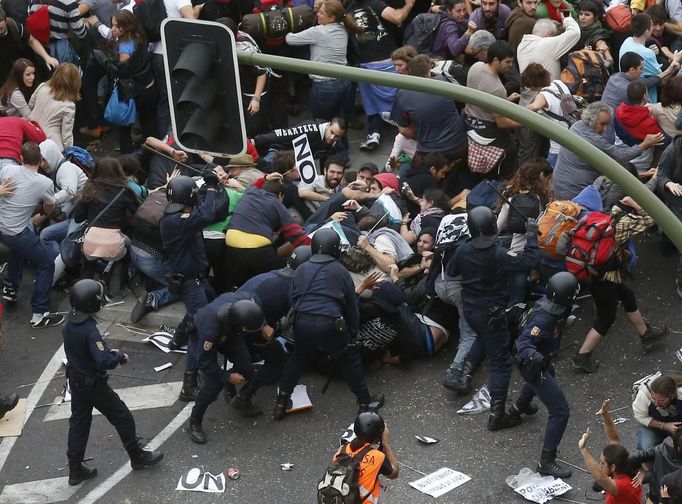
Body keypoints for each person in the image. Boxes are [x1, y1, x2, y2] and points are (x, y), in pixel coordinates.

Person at [273, 229, 384, 420]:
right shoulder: (340, 271)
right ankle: (365, 402)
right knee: (349, 360)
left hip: (301, 322)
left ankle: (281, 403)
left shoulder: (300, 269)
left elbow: (293, 301)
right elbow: (351, 308)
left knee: (298, 359)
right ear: (335, 249)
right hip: (331, 324)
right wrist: (353, 333)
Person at [445, 206, 539, 431]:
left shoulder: (463, 250)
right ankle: (497, 414)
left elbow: (452, 271)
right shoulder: (497, 253)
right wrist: (532, 235)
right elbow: (530, 260)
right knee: (501, 362)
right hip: (492, 312)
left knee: (485, 338)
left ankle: (463, 371)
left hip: (471, 310)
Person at [64, 279, 163, 485]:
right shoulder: (89, 330)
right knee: (122, 416)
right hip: (93, 384)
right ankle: (137, 456)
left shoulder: (69, 324)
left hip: (76, 380)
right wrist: (118, 357)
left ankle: (75, 469)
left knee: (79, 423)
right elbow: (102, 360)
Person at [571, 191, 668, 373]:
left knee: (628, 296)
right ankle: (581, 356)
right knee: (606, 319)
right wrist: (638, 206)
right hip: (605, 279)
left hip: (595, 274)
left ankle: (646, 335)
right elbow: (651, 220)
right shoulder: (623, 223)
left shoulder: (606, 215)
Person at [510, 272, 580, 478]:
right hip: (532, 364)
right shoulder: (544, 318)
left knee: (548, 373)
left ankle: (517, 408)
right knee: (560, 411)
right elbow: (523, 343)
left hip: (543, 363)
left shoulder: (556, 306)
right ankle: (546, 461)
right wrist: (535, 355)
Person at [160, 174, 220, 401]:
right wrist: (212, 188)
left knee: (207, 309)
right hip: (189, 282)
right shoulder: (177, 221)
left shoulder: (176, 214)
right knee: (200, 327)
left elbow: (200, 208)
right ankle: (189, 383)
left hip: (196, 279)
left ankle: (177, 338)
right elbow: (206, 213)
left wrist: (206, 184)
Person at [0, 142, 63, 328]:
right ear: (40, 160)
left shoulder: (8, 170)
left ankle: (11, 286)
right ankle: (39, 314)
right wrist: (45, 209)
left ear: (21, 158)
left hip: (4, 229)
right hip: (15, 233)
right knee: (46, 262)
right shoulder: (44, 183)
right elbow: (50, 207)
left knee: (19, 248)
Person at [188, 298, 266, 444]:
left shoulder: (241, 304)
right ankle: (194, 421)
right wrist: (227, 376)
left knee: (246, 367)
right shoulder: (210, 330)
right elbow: (205, 362)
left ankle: (237, 395)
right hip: (205, 335)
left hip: (232, 333)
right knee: (212, 385)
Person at [552, 102, 663, 200]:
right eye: (602, 124)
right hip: (575, 193)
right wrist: (644, 144)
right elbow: (620, 156)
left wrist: (640, 175)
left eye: (607, 124)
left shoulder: (576, 126)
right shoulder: (593, 139)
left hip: (560, 185)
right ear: (591, 120)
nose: (605, 129)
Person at [81, 10, 156, 152]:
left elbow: (122, 71)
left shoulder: (125, 46)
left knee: (124, 128)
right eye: (113, 25)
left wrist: (103, 60)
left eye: (117, 26)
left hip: (133, 91)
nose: (113, 29)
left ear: (127, 26)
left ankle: (128, 161)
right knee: (148, 126)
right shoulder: (139, 37)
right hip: (149, 87)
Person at [224, 180, 310, 289]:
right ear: (280, 195)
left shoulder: (249, 192)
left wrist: (265, 177)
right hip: (257, 252)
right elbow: (296, 235)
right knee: (282, 271)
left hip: (231, 247)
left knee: (234, 286)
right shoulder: (276, 202)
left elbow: (255, 183)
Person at [72, 158, 139, 290]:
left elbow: (78, 217)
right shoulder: (125, 192)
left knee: (89, 262)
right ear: (118, 171)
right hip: (114, 243)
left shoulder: (90, 190)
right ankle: (112, 283)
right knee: (127, 252)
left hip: (90, 242)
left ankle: (82, 294)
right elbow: (138, 212)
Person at [389, 54, 467, 162]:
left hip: (430, 151)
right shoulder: (443, 81)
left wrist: (421, 136)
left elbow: (403, 130)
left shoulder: (403, 94)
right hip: (459, 144)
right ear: (429, 72)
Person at [285, 0, 353, 122]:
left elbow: (290, 39)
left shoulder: (318, 32)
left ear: (332, 18)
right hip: (344, 81)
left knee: (321, 124)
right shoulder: (343, 27)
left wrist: (286, 24)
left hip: (325, 86)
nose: (317, 14)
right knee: (338, 123)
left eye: (321, 13)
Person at [463, 40, 521, 178]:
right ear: (495, 60)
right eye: (507, 62)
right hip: (488, 132)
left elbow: (483, 99)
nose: (510, 66)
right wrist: (527, 122)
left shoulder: (475, 67)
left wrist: (505, 100)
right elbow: (502, 123)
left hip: (469, 122)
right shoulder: (497, 88)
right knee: (507, 160)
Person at [325, 412, 399, 503]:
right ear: (379, 436)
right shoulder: (377, 457)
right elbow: (394, 473)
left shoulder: (342, 449)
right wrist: (386, 443)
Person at [579, 400, 643, 504]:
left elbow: (600, 477)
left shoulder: (622, 485)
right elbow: (614, 439)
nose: (600, 466)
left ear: (613, 467)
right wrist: (605, 414)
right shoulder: (624, 465)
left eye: (602, 463)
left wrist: (583, 449)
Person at [620, 14, 682, 103]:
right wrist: (676, 60)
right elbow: (662, 81)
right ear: (646, 31)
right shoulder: (646, 53)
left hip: (630, 97)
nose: (654, 28)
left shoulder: (627, 42)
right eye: (652, 26)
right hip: (646, 102)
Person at [27, 63, 81, 151]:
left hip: (30, 133)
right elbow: (66, 135)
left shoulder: (42, 87)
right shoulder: (69, 106)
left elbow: (30, 106)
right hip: (50, 143)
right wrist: (71, 153)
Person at [0, 7, 59, 84]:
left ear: (6, 22)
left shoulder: (14, 28)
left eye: (1, 28)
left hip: (22, 69)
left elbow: (32, 41)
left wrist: (47, 57)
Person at [657, 136, 682, 298]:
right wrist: (669, 183)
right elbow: (661, 175)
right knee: (673, 227)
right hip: (676, 197)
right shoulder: (672, 151)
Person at [27, 0, 87, 65]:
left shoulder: (35, 2)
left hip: (38, 50)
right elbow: (81, 33)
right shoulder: (68, 3)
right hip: (61, 51)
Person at [633, 374, 682, 450]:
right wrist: (664, 426)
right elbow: (641, 416)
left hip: (678, 422)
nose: (656, 403)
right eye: (653, 398)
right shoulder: (644, 395)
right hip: (653, 423)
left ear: (672, 396)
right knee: (647, 448)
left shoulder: (680, 392)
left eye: (661, 401)